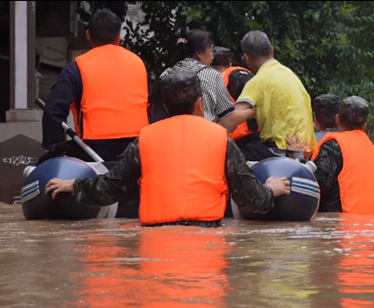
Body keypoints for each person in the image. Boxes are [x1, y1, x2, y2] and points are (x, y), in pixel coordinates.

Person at [44, 71, 291, 228]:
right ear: (199, 103)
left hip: (154, 244)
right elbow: (251, 199)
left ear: (165, 106)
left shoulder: (145, 139)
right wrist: (270, 189)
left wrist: (73, 185)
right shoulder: (221, 139)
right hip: (206, 243)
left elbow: (109, 190)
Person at [39, 9, 149, 164]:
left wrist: (54, 147)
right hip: (138, 147)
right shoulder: (138, 63)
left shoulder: (76, 68)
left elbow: (53, 110)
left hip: (95, 149)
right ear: (118, 37)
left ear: (88, 35)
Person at [289, 96, 374, 215]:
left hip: (341, 226)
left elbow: (315, 183)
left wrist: (299, 157)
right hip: (372, 227)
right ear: (364, 126)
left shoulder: (333, 146)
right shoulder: (372, 150)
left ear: (337, 119)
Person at [148, 29, 253, 132]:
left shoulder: (165, 75)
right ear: (199, 53)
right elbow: (228, 120)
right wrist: (252, 111)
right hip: (202, 139)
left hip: (167, 139)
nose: (212, 57)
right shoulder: (211, 75)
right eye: (211, 50)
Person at [233, 30, 317, 160]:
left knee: (233, 155)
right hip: (304, 148)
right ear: (272, 49)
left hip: (280, 148)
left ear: (246, 57)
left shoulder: (258, 81)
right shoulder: (289, 74)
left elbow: (232, 117)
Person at [210, 46, 260, 150]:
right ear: (229, 64)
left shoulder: (212, 82)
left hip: (233, 141)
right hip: (260, 138)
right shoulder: (250, 75)